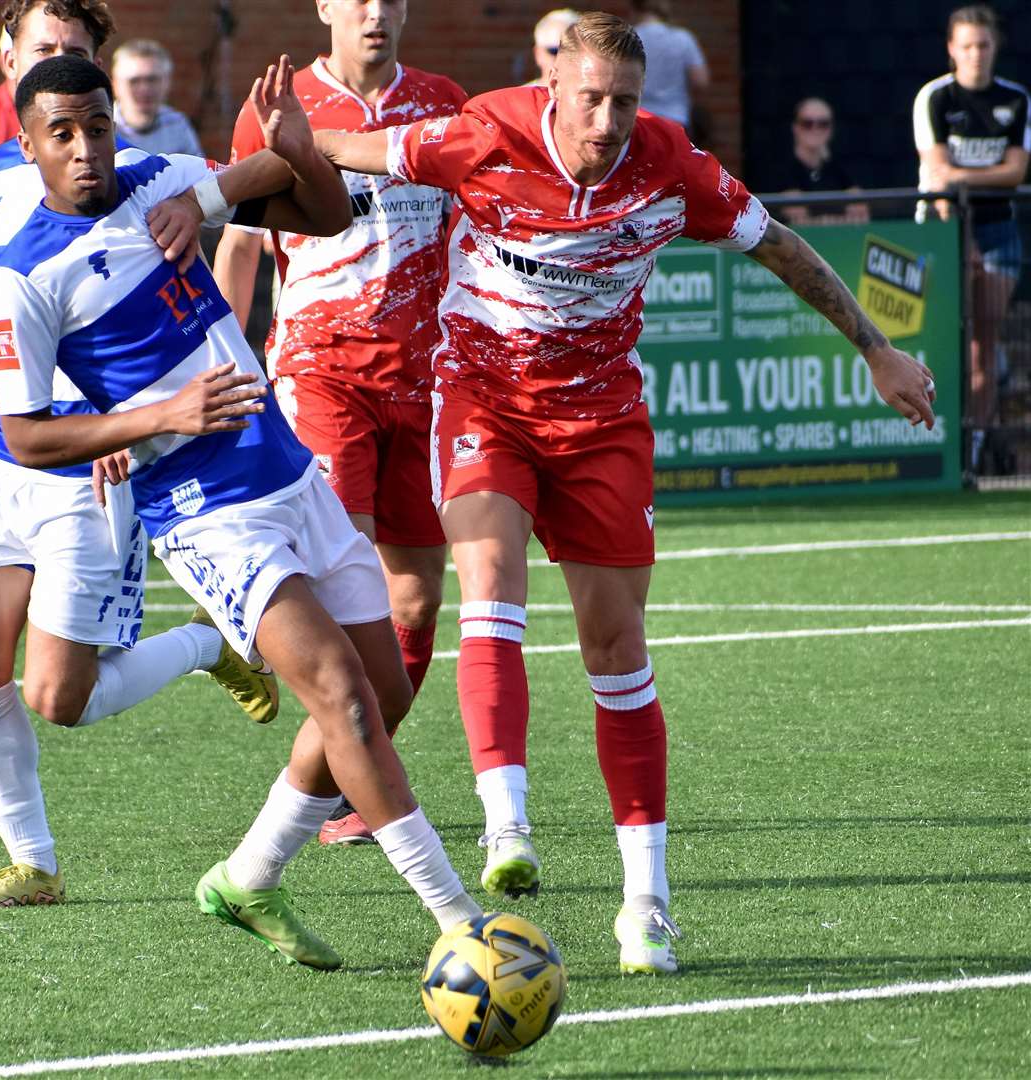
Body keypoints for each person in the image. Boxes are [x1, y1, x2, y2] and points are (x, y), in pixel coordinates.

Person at [314, 11, 936, 974]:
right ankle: (505, 830)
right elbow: (344, 146)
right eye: (590, 98)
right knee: (489, 586)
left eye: (624, 102)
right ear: (553, 86)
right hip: (484, 396)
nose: (606, 121)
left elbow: (778, 246)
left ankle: (645, 905)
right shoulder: (481, 132)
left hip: (601, 421)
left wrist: (875, 347)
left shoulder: (670, 164)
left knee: (618, 649)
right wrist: (242, 159)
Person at [0, 53, 484, 969]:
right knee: (340, 694)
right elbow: (24, 436)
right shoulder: (23, 277)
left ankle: (249, 876)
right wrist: (159, 419)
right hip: (201, 509)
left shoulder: (155, 181)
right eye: (61, 134)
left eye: (96, 126)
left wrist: (282, 151)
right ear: (28, 146)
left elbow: (327, 214)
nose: (86, 148)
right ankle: (461, 923)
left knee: (387, 690)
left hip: (290, 475)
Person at [0, 0, 269, 911]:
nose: (56, 61)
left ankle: (204, 643)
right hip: (7, 452)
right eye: (41, 48)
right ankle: (34, 862)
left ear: (97, 68)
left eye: (74, 52)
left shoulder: (136, 175)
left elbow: (174, 292)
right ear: (8, 60)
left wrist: (135, 423)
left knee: (63, 698)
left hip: (96, 462)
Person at [214, 0, 466, 845]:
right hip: (322, 373)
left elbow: (468, 231)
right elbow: (243, 244)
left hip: (425, 378)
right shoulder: (281, 104)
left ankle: (344, 776)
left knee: (417, 601)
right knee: (345, 586)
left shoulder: (442, 100)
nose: (374, 12)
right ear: (324, 7)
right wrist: (219, 363)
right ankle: (339, 792)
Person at [914, 3, 1029, 473]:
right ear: (951, 50)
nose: (976, 55)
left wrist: (968, 177)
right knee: (944, 341)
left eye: (983, 46)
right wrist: (982, 176)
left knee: (984, 341)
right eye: (967, 46)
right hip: (943, 229)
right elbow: (939, 171)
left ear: (995, 47)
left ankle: (972, 449)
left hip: (999, 227)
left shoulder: (1017, 100)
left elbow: (1018, 171)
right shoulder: (936, 99)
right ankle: (933, 444)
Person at [772, 97, 868, 226]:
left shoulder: (840, 168)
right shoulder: (780, 169)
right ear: (795, 127)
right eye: (807, 123)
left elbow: (861, 212)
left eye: (823, 124)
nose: (815, 129)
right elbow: (799, 221)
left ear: (831, 129)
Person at [111, 38, 204, 156]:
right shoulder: (102, 126)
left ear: (167, 82)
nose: (144, 89)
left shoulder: (177, 124)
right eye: (134, 81)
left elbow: (198, 172)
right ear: (115, 84)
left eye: (152, 80)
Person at [632, 0, 708, 134]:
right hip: (676, 118)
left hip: (639, 119)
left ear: (634, 8)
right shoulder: (683, 38)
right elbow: (700, 81)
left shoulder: (629, 37)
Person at [529, 8, 580, 86]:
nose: (564, 59)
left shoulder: (600, 95)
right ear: (538, 54)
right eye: (554, 51)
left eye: (573, 51)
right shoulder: (518, 97)